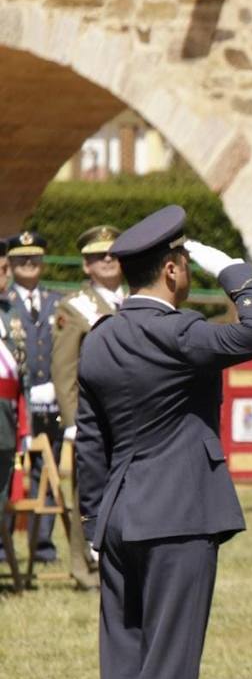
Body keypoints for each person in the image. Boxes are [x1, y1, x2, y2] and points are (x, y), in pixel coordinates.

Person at [75, 206, 252, 679]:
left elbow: (90, 444)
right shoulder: (181, 333)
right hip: (179, 518)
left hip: (118, 517)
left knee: (125, 665)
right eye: (186, 266)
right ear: (171, 269)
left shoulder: (100, 338)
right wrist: (238, 274)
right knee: (169, 664)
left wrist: (92, 525)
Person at [52, 224, 126, 589]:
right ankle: (85, 569)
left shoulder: (134, 300)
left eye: (113, 253)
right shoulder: (75, 307)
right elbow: (64, 368)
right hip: (92, 414)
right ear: (86, 266)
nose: (108, 259)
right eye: (99, 255)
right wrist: (71, 421)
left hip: (129, 415)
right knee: (89, 492)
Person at [5, 230, 62, 562]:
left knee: (49, 473)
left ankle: (43, 545)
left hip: (51, 404)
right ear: (10, 264)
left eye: (34, 257)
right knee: (11, 474)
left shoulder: (56, 302)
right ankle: (4, 544)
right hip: (17, 404)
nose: (28, 263)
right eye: (21, 259)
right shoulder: (5, 303)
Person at [0, 238, 26, 504]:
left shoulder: (10, 313)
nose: (7, 273)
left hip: (6, 422)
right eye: (1, 268)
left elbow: (22, 373)